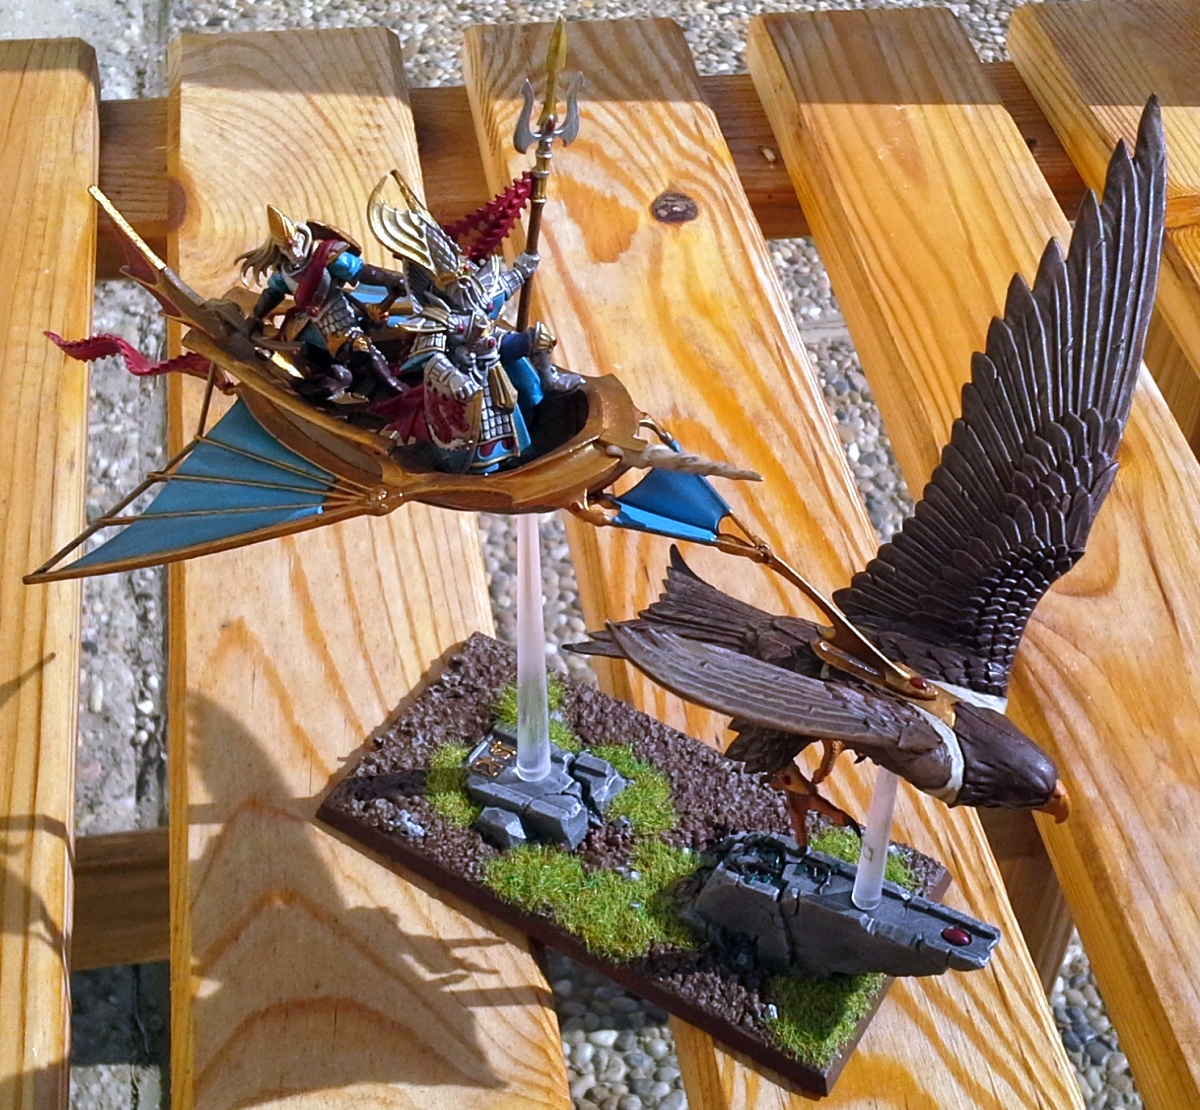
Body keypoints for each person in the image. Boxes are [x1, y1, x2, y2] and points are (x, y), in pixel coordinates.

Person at [236, 205, 410, 400]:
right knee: (321, 362)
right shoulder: (285, 271)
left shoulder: (327, 256)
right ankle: (331, 383)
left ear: (301, 236)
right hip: (307, 326)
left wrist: (390, 280)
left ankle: (396, 391)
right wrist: (256, 317)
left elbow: (362, 271)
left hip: (337, 316)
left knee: (363, 351)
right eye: (286, 248)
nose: (294, 251)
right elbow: (273, 294)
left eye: (295, 243)